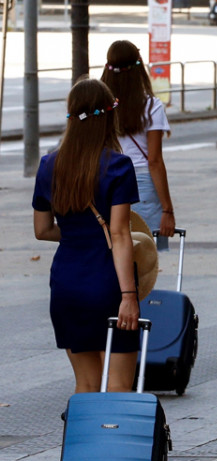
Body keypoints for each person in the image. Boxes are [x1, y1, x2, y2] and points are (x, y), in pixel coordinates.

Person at [32, 79, 141, 393]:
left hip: (66, 282)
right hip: (106, 281)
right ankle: (114, 442)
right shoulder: (118, 167)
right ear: (109, 116)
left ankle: (81, 441)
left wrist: (78, 234)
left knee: (86, 383)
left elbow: (42, 230)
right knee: (119, 385)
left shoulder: (49, 165)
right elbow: (120, 233)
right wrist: (129, 297)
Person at [101, 40, 175, 250]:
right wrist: (168, 210)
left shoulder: (100, 105)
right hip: (141, 183)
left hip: (106, 179)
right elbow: (154, 161)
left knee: (111, 250)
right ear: (139, 66)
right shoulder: (151, 106)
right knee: (144, 257)